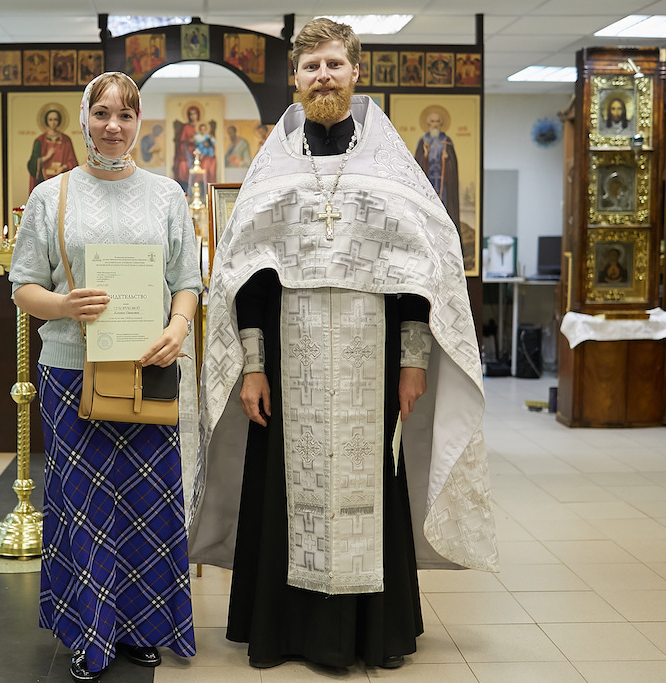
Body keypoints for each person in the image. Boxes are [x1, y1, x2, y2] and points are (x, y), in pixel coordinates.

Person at [188, 17, 497, 672]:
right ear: (295, 79)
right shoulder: (272, 169)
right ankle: (282, 631)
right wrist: (252, 365)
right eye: (311, 67)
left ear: (356, 72)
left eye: (334, 64)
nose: (323, 77)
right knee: (281, 486)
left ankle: (371, 632)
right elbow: (248, 279)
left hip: (371, 357)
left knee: (373, 480)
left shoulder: (390, 168)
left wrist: (413, 360)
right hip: (287, 357)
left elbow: (419, 274)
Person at [8, 72, 201, 683]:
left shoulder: (167, 194)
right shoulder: (51, 195)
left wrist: (178, 328)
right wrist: (63, 305)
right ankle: (89, 633)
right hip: (71, 371)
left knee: (149, 500)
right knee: (84, 504)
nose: (113, 126)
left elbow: (187, 280)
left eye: (125, 114)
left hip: (148, 369)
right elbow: (22, 286)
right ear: (84, 119)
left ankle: (142, 628)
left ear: (140, 122)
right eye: (101, 114)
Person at [414, 109, 461, 233]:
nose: (435, 124)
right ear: (428, 124)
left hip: (443, 182)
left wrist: (447, 158)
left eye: (437, 121)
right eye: (432, 121)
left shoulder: (446, 141)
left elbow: (452, 165)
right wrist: (425, 155)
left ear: (441, 124)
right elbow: (417, 163)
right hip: (428, 181)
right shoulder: (423, 140)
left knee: (443, 206)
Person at [27, 108, 79, 192]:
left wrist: (63, 167)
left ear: (59, 121)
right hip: (43, 180)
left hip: (62, 180)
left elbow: (73, 162)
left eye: (55, 119)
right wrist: (47, 157)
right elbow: (32, 163)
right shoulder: (39, 140)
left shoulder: (66, 140)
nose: (53, 122)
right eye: (50, 120)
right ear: (46, 121)